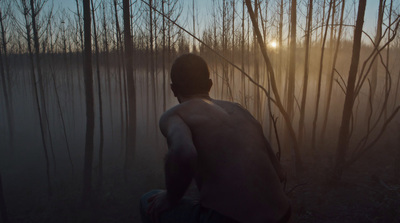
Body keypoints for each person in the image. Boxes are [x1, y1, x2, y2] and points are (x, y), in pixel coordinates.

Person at [140, 53, 291, 223]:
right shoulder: (238, 110)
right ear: (210, 85)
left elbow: (184, 153)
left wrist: (170, 197)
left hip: (231, 220)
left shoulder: (175, 115)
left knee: (148, 200)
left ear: (173, 89)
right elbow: (280, 173)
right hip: (283, 214)